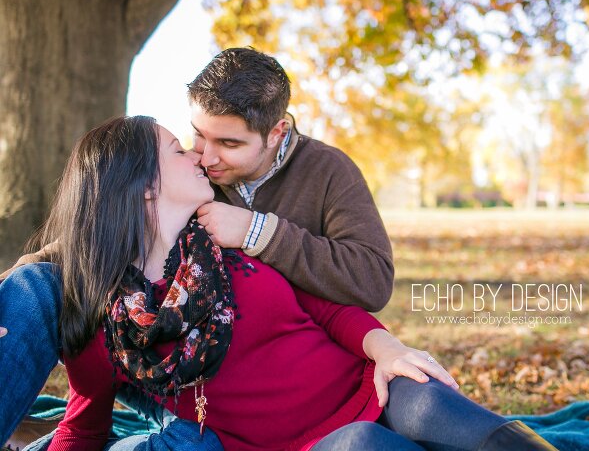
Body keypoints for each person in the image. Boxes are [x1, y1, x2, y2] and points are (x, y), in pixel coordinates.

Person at [28, 116, 557, 450]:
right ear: (144, 187)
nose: (197, 155)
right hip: (303, 444)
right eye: (177, 149)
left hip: (362, 383)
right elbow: (83, 427)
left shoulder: (224, 240)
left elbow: (329, 310)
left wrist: (389, 351)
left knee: (428, 398)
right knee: (362, 444)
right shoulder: (111, 328)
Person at [0, 48, 393, 445]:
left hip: (245, 370)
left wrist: (258, 231)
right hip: (156, 358)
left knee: (192, 439)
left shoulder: (327, 171)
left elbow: (371, 281)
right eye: (198, 135)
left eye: (228, 143)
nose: (204, 156)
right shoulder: (188, 179)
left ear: (276, 133)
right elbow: (94, 233)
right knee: (40, 285)